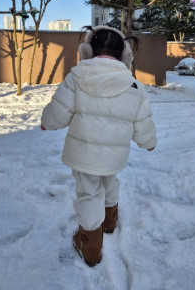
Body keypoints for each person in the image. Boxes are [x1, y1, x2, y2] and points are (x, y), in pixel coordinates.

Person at [41, 25, 157, 267]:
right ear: (125, 55)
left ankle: (90, 246)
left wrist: (47, 123)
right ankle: (110, 222)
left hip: (84, 157)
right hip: (114, 157)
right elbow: (142, 120)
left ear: (88, 52)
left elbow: (58, 111)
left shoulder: (77, 77)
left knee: (89, 194)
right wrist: (148, 142)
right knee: (109, 182)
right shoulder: (134, 85)